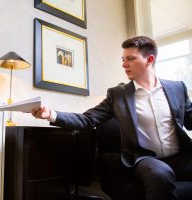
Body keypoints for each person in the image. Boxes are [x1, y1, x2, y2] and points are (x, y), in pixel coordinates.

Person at [31, 36, 192, 200]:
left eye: (130, 59)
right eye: (123, 59)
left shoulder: (177, 88)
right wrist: (51, 114)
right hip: (145, 159)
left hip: (181, 156)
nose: (124, 64)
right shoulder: (118, 95)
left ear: (149, 60)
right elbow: (87, 120)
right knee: (161, 175)